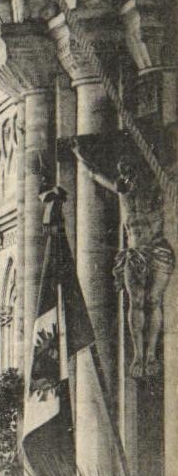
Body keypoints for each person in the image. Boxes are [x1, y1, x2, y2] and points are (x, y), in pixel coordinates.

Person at [70, 130, 175, 378]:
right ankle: (140, 355)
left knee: (153, 301)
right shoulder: (122, 191)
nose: (124, 174)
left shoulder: (155, 187)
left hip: (157, 249)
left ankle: (150, 356)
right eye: (122, 170)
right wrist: (77, 152)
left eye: (128, 169)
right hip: (134, 252)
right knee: (136, 302)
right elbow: (94, 174)